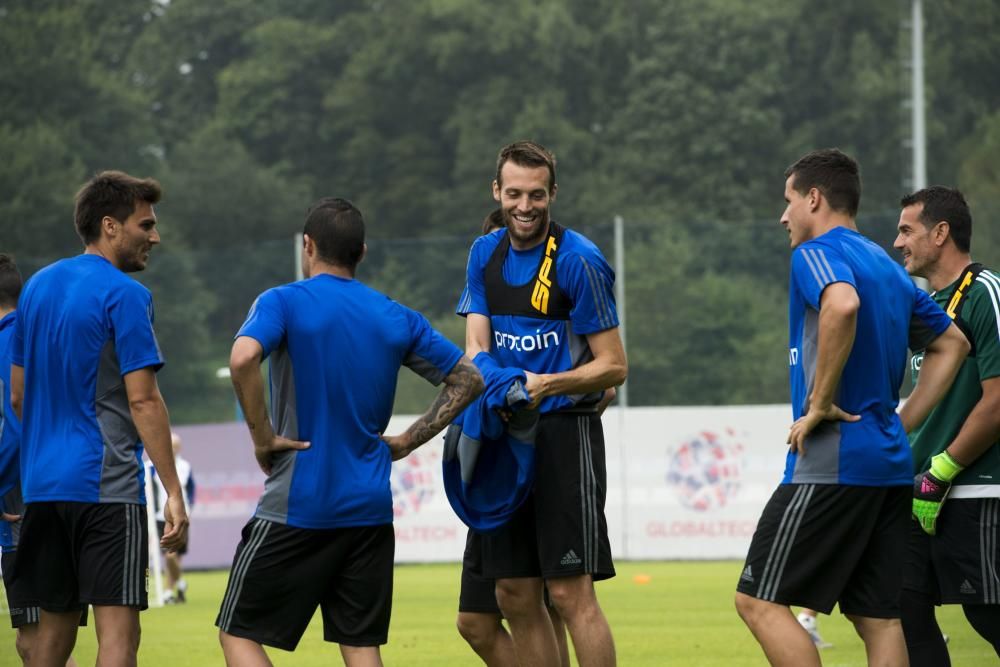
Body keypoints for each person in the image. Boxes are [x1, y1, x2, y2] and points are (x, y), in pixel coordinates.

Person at [216, 197, 484, 667]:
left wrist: (262, 438)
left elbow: (241, 360)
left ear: (308, 246)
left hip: (299, 504)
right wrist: (407, 440)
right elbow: (469, 379)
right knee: (360, 647)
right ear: (361, 252)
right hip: (369, 510)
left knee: (238, 635)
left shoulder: (282, 301)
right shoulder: (395, 315)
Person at [734, 148, 970, 667]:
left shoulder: (816, 253)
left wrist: (819, 404)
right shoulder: (886, 267)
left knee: (757, 601)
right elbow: (952, 344)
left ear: (814, 198)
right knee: (880, 620)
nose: (783, 216)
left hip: (832, 463)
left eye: (788, 201)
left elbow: (841, 304)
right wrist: (900, 421)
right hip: (887, 468)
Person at [9, 171, 189, 667]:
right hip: (105, 488)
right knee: (118, 638)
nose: (155, 236)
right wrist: (173, 492)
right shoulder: (127, 295)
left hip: (43, 489)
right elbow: (144, 401)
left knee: (49, 639)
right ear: (110, 226)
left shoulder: (37, 288)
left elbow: (18, 396)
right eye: (145, 225)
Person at [459, 141, 627, 667]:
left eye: (536, 195)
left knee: (569, 595)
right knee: (512, 595)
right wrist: (500, 384)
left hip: (562, 438)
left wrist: (543, 385)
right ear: (496, 192)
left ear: (553, 193)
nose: (524, 206)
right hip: (505, 438)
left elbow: (614, 366)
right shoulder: (483, 254)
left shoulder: (578, 258)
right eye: (513, 194)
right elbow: (475, 349)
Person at [455, 209, 574, 667]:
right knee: (475, 621)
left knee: (546, 603)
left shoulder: (555, 295)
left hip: (540, 453)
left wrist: (556, 392)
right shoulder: (479, 309)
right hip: (492, 467)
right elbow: (469, 370)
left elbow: (602, 379)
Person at [894, 186, 1000, 665]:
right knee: (903, 613)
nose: (897, 242)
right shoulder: (926, 306)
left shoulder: (986, 293)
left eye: (906, 230)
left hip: (976, 492)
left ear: (941, 233)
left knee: (988, 618)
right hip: (918, 495)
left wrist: (942, 470)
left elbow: (998, 402)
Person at [149, 431, 197, 604]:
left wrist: (189, 509)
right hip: (159, 516)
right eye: (172, 446)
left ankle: (169, 591)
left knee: (174, 556)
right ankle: (180, 584)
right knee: (169, 556)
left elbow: (191, 490)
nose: (174, 449)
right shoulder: (153, 466)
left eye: (176, 446)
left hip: (180, 515)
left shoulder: (185, 466)